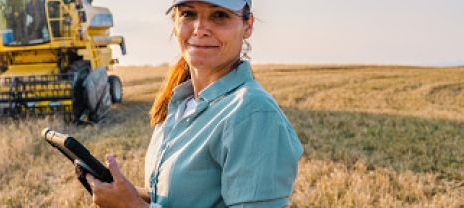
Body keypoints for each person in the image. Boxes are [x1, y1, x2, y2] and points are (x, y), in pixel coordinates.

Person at [84, 0, 303, 207]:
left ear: (248, 26)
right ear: (175, 22)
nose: (200, 28)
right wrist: (130, 195)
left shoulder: (253, 113)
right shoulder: (181, 102)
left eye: (219, 15)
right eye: (188, 14)